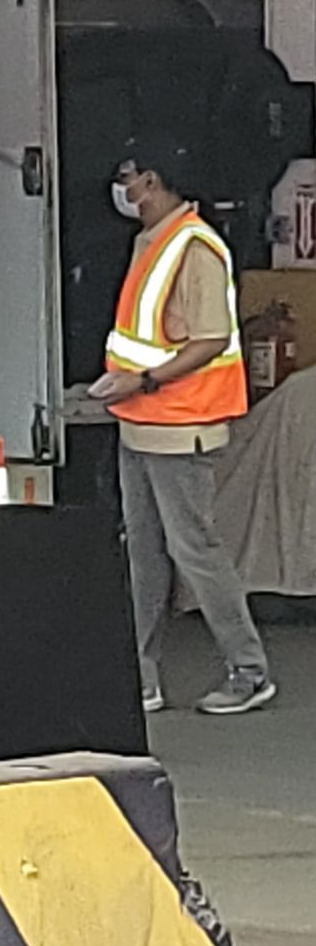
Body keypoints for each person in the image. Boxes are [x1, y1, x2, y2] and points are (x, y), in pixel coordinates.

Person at [86, 134, 273, 716]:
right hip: (141, 421)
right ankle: (140, 677)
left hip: (179, 423)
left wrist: (144, 381)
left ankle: (248, 669)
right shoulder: (155, 240)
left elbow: (211, 337)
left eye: (129, 174)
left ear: (154, 180)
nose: (123, 185)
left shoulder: (195, 247)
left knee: (195, 551)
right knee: (143, 553)